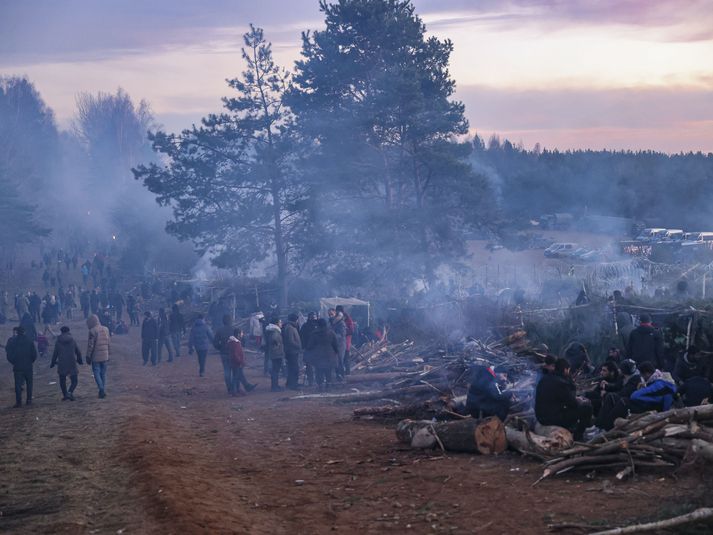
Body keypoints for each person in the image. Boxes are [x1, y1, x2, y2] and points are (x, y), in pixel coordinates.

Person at [535, 357, 592, 440]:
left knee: (568, 409)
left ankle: (572, 427)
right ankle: (578, 436)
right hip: (551, 419)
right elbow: (573, 404)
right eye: (568, 370)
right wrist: (578, 399)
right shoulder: (562, 383)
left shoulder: (545, 378)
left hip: (540, 417)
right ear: (565, 370)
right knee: (587, 408)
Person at [6, 326, 38, 407]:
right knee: (29, 384)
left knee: (18, 385)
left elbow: (9, 354)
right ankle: (29, 400)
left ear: (17, 332)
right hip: (28, 366)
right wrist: (30, 361)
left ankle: (18, 402)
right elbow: (34, 354)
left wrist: (14, 362)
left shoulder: (12, 341)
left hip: (17, 366)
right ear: (24, 331)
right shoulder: (29, 341)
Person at [50, 326, 83, 401]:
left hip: (62, 363)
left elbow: (55, 353)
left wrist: (52, 363)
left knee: (62, 380)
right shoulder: (72, 340)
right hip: (72, 362)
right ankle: (70, 392)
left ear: (61, 332)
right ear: (68, 331)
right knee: (74, 380)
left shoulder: (58, 341)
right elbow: (78, 352)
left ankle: (65, 395)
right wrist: (80, 360)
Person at [307, 318, 339, 392]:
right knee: (328, 370)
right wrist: (336, 352)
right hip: (329, 355)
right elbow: (335, 344)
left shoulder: (314, 334)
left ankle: (320, 386)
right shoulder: (331, 332)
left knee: (319, 371)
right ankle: (328, 385)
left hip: (318, 355)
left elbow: (310, 346)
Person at [86, 313, 111, 398]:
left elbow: (90, 345)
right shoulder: (106, 329)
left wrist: (88, 356)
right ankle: (102, 389)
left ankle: (101, 389)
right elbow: (109, 343)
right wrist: (109, 353)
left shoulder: (92, 331)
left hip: (96, 356)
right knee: (103, 373)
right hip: (105, 355)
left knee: (96, 372)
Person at [228, 328, 256, 395]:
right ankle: (234, 391)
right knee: (235, 378)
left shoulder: (234, 342)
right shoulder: (235, 343)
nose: (242, 334)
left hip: (236, 363)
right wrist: (241, 362)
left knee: (240, 375)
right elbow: (235, 354)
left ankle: (246, 387)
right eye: (242, 333)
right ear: (238, 334)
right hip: (236, 363)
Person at [214, 314, 235, 395]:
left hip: (224, 353)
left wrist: (220, 348)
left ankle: (229, 388)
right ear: (231, 321)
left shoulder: (220, 330)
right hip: (233, 353)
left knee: (227, 372)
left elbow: (215, 343)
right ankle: (234, 388)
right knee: (235, 371)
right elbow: (242, 341)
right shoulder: (234, 329)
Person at [265, 317, 285, 392]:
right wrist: (278, 345)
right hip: (277, 354)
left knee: (275, 370)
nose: (281, 323)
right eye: (280, 322)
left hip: (274, 354)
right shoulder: (275, 332)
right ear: (276, 323)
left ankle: (275, 385)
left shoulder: (273, 331)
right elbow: (274, 340)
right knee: (275, 371)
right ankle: (274, 387)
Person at [283, 313, 302, 390]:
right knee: (294, 368)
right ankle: (293, 385)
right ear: (295, 320)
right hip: (292, 351)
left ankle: (290, 383)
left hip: (292, 351)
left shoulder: (290, 326)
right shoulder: (290, 328)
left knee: (292, 367)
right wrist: (298, 346)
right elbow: (290, 340)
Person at [300, 312, 319, 386]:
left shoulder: (318, 325)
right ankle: (313, 381)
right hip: (310, 348)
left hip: (313, 348)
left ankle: (314, 381)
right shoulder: (305, 326)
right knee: (311, 366)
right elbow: (302, 337)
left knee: (312, 365)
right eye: (313, 316)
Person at [329, 308, 347, 380]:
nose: (330, 316)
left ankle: (342, 376)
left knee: (340, 361)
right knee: (335, 361)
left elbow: (342, 334)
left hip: (340, 344)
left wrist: (332, 335)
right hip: (333, 345)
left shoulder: (341, 323)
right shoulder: (331, 322)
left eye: (331, 314)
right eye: (329, 314)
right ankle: (337, 376)